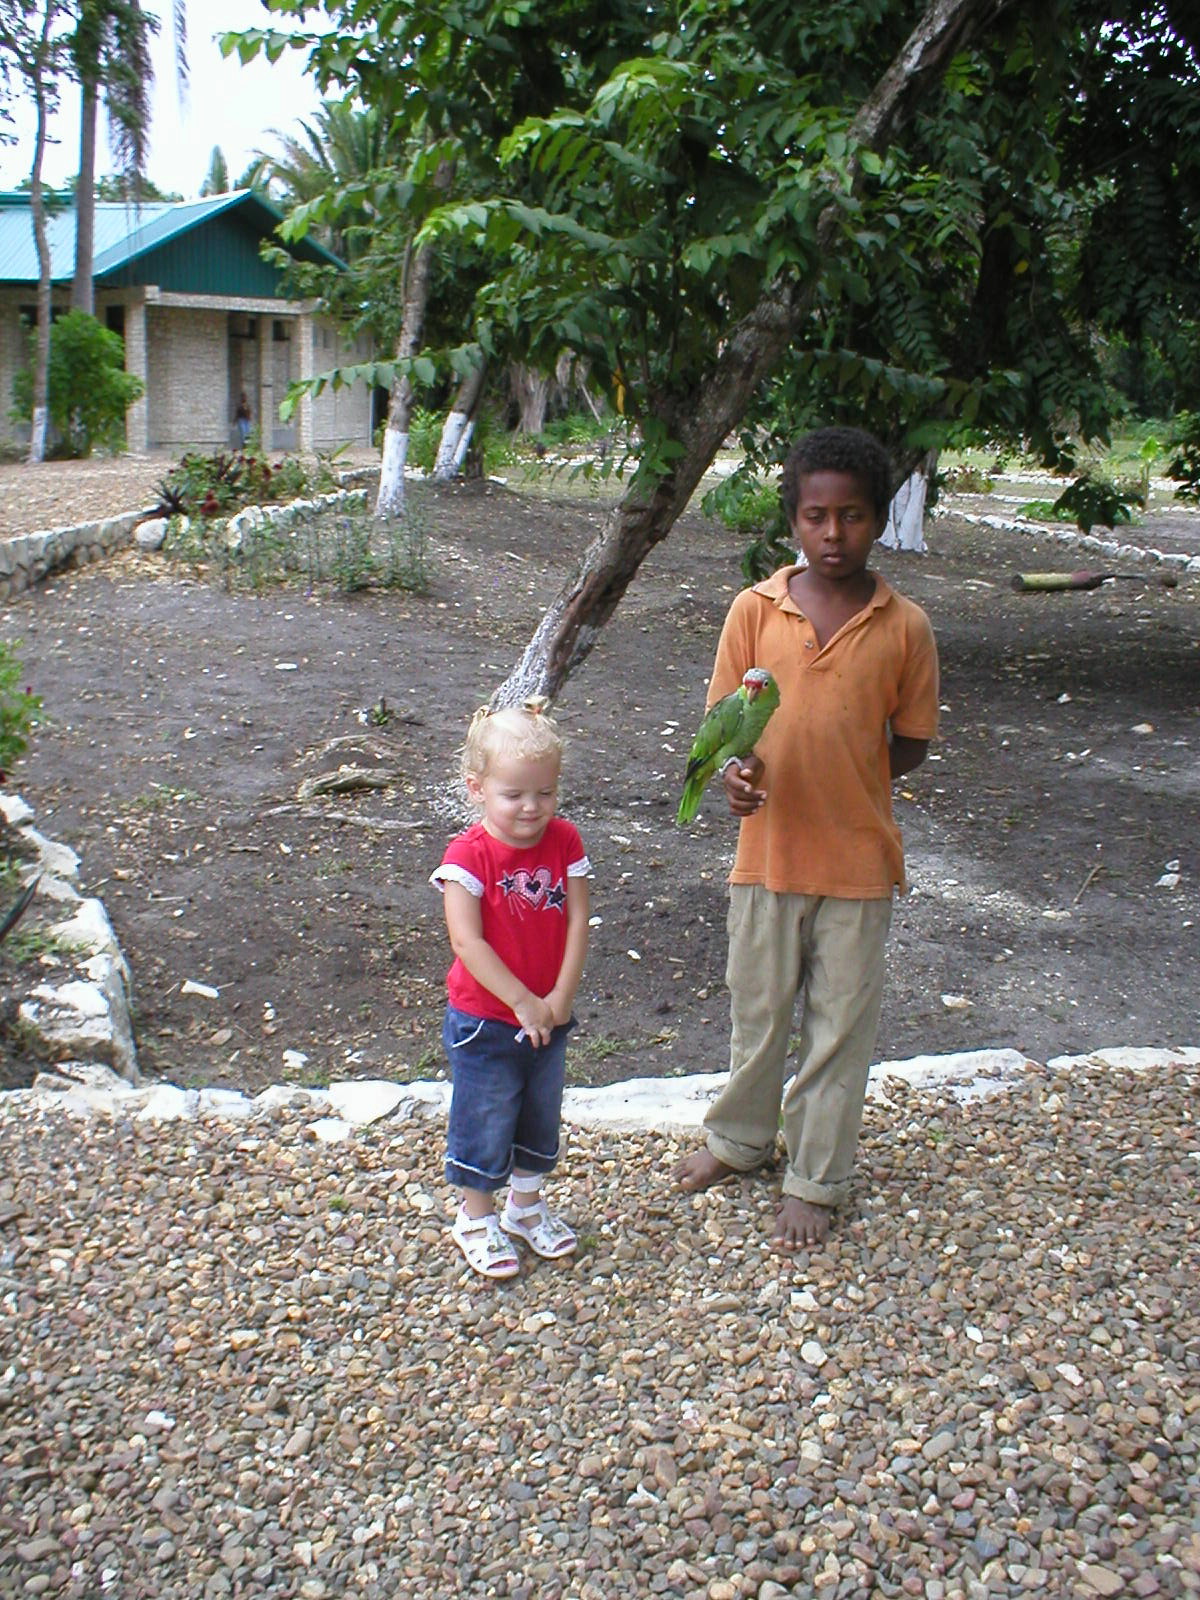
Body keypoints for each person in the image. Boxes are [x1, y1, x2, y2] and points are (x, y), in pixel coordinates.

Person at [674, 425, 940, 1249]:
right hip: (767, 859)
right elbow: (725, 731)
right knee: (757, 1010)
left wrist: (850, 777)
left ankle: (817, 1176)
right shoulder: (754, 611)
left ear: (879, 518)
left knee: (838, 1026)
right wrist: (739, 779)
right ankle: (740, 1140)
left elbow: (912, 742)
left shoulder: (906, 627)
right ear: (793, 518)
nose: (835, 535)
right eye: (817, 516)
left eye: (854, 516)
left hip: (859, 863)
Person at [430, 702, 591, 1278]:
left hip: (548, 1013)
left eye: (545, 793)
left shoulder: (565, 841)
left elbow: (577, 920)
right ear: (477, 788)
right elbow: (467, 942)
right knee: (486, 1111)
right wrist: (522, 1001)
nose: (532, 807)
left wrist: (559, 999)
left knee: (539, 1112)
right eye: (514, 794)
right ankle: (476, 1216)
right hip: (487, 1019)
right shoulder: (467, 857)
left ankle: (525, 1206)